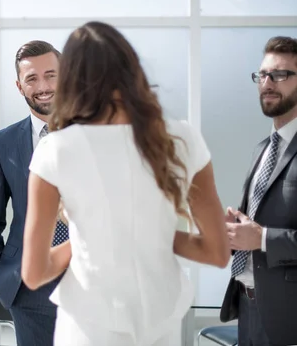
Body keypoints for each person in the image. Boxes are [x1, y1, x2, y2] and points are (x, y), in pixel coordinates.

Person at [21, 21, 230, 346]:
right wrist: (152, 233)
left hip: (86, 327)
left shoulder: (56, 148)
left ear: (72, 79)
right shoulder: (182, 138)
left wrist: (90, 237)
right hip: (161, 326)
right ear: (132, 69)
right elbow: (217, 252)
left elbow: (34, 273)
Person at [0, 40, 69, 345]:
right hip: (30, 288)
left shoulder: (94, 133)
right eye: (32, 78)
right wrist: (0, 274)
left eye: (50, 75)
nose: (43, 86)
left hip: (90, 280)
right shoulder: (3, 143)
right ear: (19, 86)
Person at [220, 36, 297, 346]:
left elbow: (262, 235)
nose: (268, 82)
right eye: (262, 75)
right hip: (249, 308)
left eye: (280, 74)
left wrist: (262, 238)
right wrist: (236, 232)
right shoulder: (262, 149)